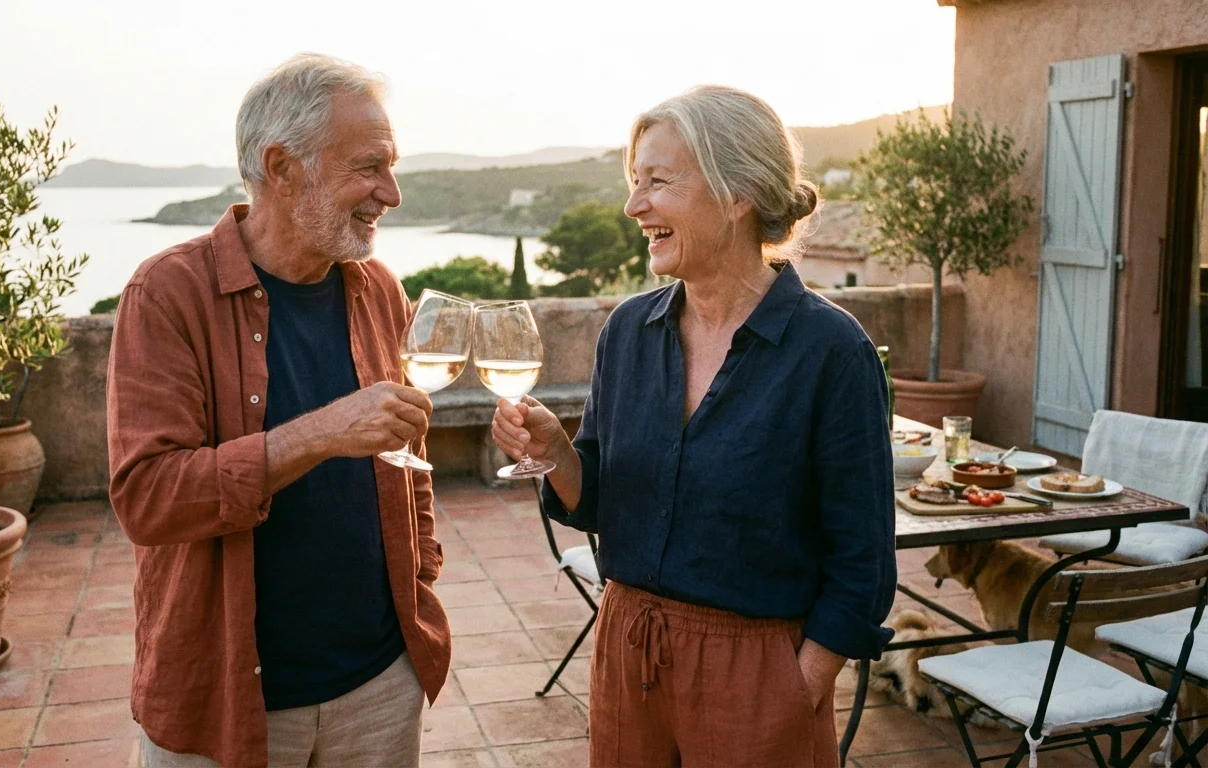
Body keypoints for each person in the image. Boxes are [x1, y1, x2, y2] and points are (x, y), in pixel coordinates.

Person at [491, 85, 896, 767]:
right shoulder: (627, 331)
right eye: (633, 182)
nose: (633, 205)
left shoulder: (831, 351)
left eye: (658, 182)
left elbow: (863, 562)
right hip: (628, 653)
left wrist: (797, 689)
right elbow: (594, 502)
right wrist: (558, 452)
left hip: (757, 673)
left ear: (737, 194)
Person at [107, 53, 450, 768]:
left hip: (381, 686)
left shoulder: (378, 288)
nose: (390, 192)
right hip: (228, 696)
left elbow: (405, 450)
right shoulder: (168, 293)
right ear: (282, 168)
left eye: (392, 168)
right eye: (370, 167)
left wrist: (421, 572)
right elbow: (147, 498)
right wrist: (322, 433)